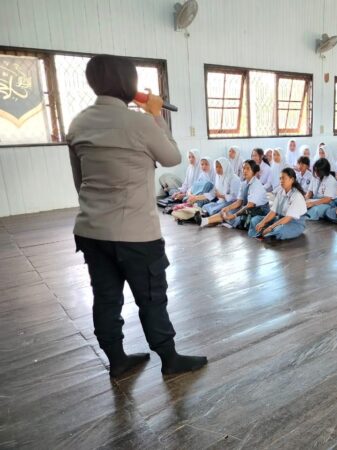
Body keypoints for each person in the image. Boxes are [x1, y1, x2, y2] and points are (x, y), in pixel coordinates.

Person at [67, 54, 206, 377]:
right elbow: (171, 156)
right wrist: (156, 115)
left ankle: (117, 360)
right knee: (151, 299)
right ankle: (170, 360)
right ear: (129, 84)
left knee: (105, 298)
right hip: (136, 235)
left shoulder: (78, 123)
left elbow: (79, 181)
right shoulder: (139, 123)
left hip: (91, 230)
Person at [195, 160, 269, 229]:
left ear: (254, 172)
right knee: (226, 211)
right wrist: (227, 208)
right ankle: (204, 221)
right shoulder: (243, 184)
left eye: (248, 169)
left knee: (232, 215)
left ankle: (206, 221)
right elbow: (239, 202)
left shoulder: (256, 185)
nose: (244, 171)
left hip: (258, 211)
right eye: (243, 168)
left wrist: (234, 215)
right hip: (248, 208)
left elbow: (250, 205)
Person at [249, 168, 307, 241]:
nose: (281, 181)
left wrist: (271, 227)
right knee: (256, 220)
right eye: (280, 178)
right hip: (280, 219)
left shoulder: (296, 195)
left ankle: (265, 233)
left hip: (294, 223)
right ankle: (263, 233)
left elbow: (288, 218)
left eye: (284, 178)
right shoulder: (280, 192)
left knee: (279, 230)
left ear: (292, 180)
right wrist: (262, 222)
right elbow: (273, 212)